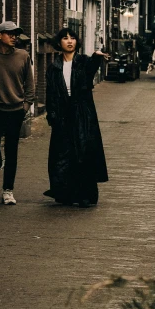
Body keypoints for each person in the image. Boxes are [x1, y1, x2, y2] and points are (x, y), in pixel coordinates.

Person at [43, 28, 109, 208]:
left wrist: (96, 57)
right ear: (60, 43)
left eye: (72, 38)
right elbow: (51, 93)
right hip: (62, 115)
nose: (69, 41)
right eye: (65, 38)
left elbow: (89, 74)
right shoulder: (54, 67)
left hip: (82, 114)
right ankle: (65, 192)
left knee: (83, 153)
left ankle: (86, 194)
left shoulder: (83, 62)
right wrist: (53, 115)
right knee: (63, 155)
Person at [0, 21, 35, 207]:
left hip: (15, 111)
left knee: (11, 152)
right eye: (9, 33)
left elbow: (30, 85)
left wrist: (25, 107)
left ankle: (8, 191)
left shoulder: (23, 56)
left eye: (16, 34)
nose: (14, 37)